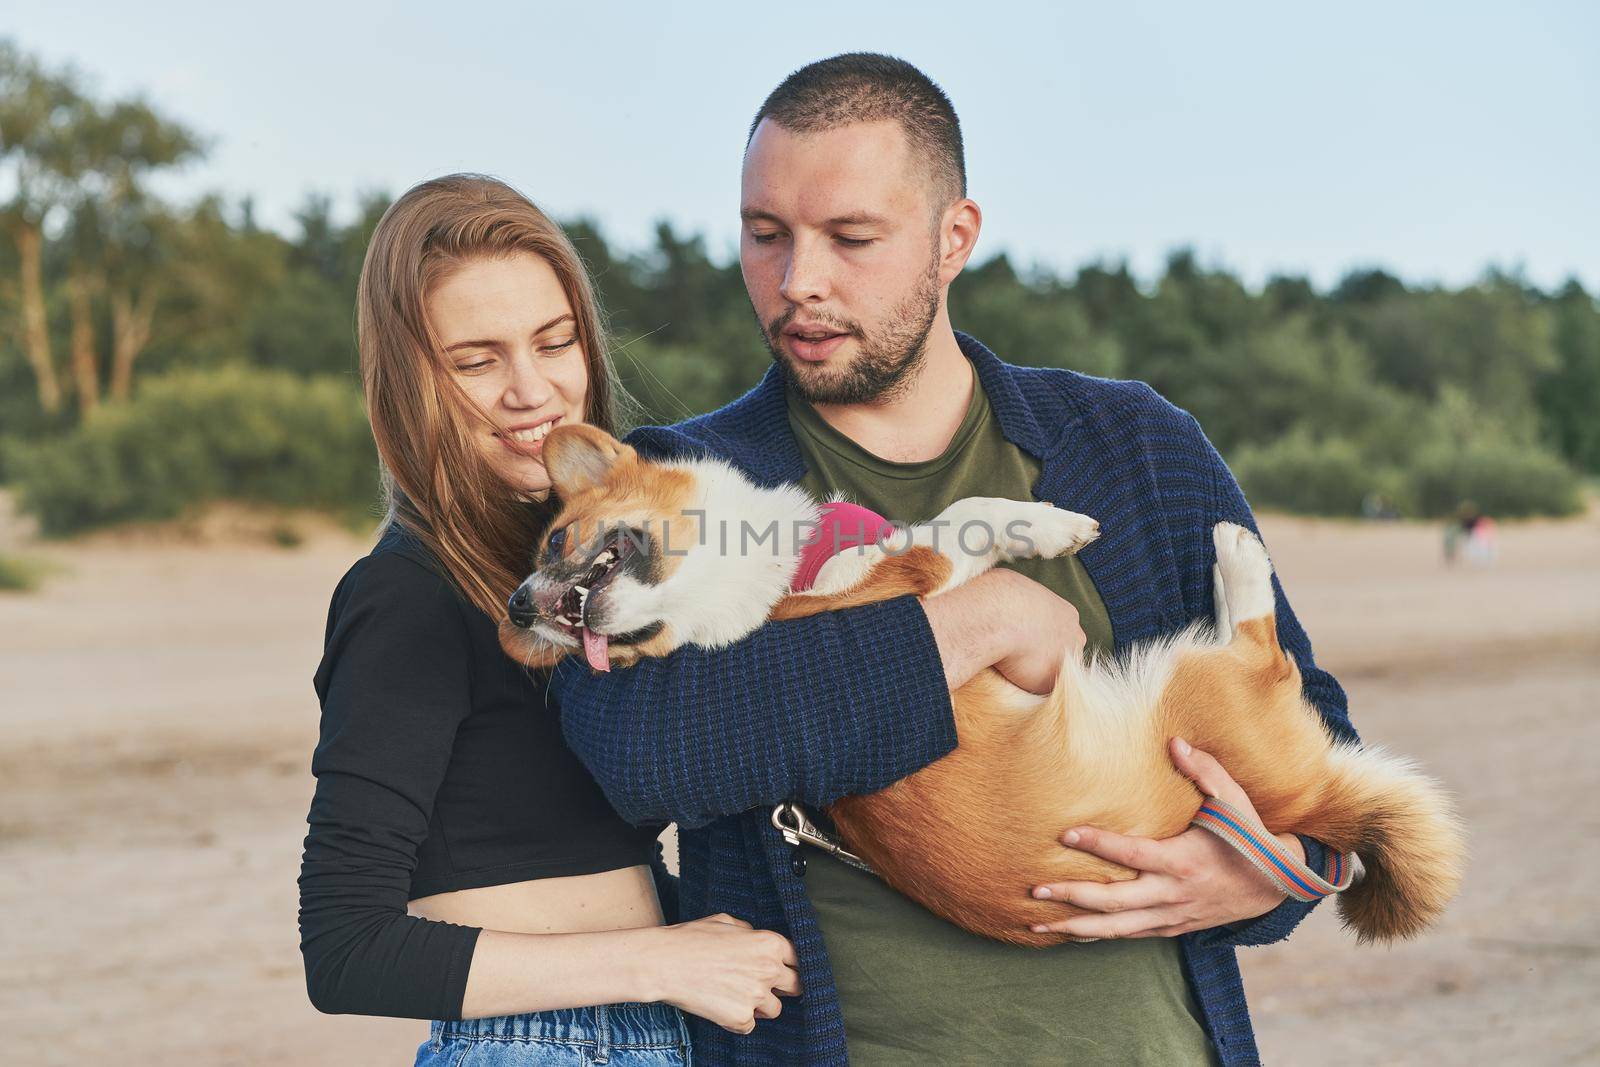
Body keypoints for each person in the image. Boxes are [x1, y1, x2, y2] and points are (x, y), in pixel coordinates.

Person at [550, 56, 1360, 1066]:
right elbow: (640, 751)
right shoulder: (686, 481)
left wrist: (1262, 875)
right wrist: (966, 625)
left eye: (851, 237)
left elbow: (1319, 735)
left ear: (953, 238)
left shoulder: (1133, 445)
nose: (799, 280)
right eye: (766, 236)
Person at [296, 174, 801, 1066]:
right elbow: (346, 949)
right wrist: (660, 960)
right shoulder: (407, 592)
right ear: (411, 384)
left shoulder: (589, 585)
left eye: (555, 341)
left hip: (649, 1032)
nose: (534, 391)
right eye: (477, 360)